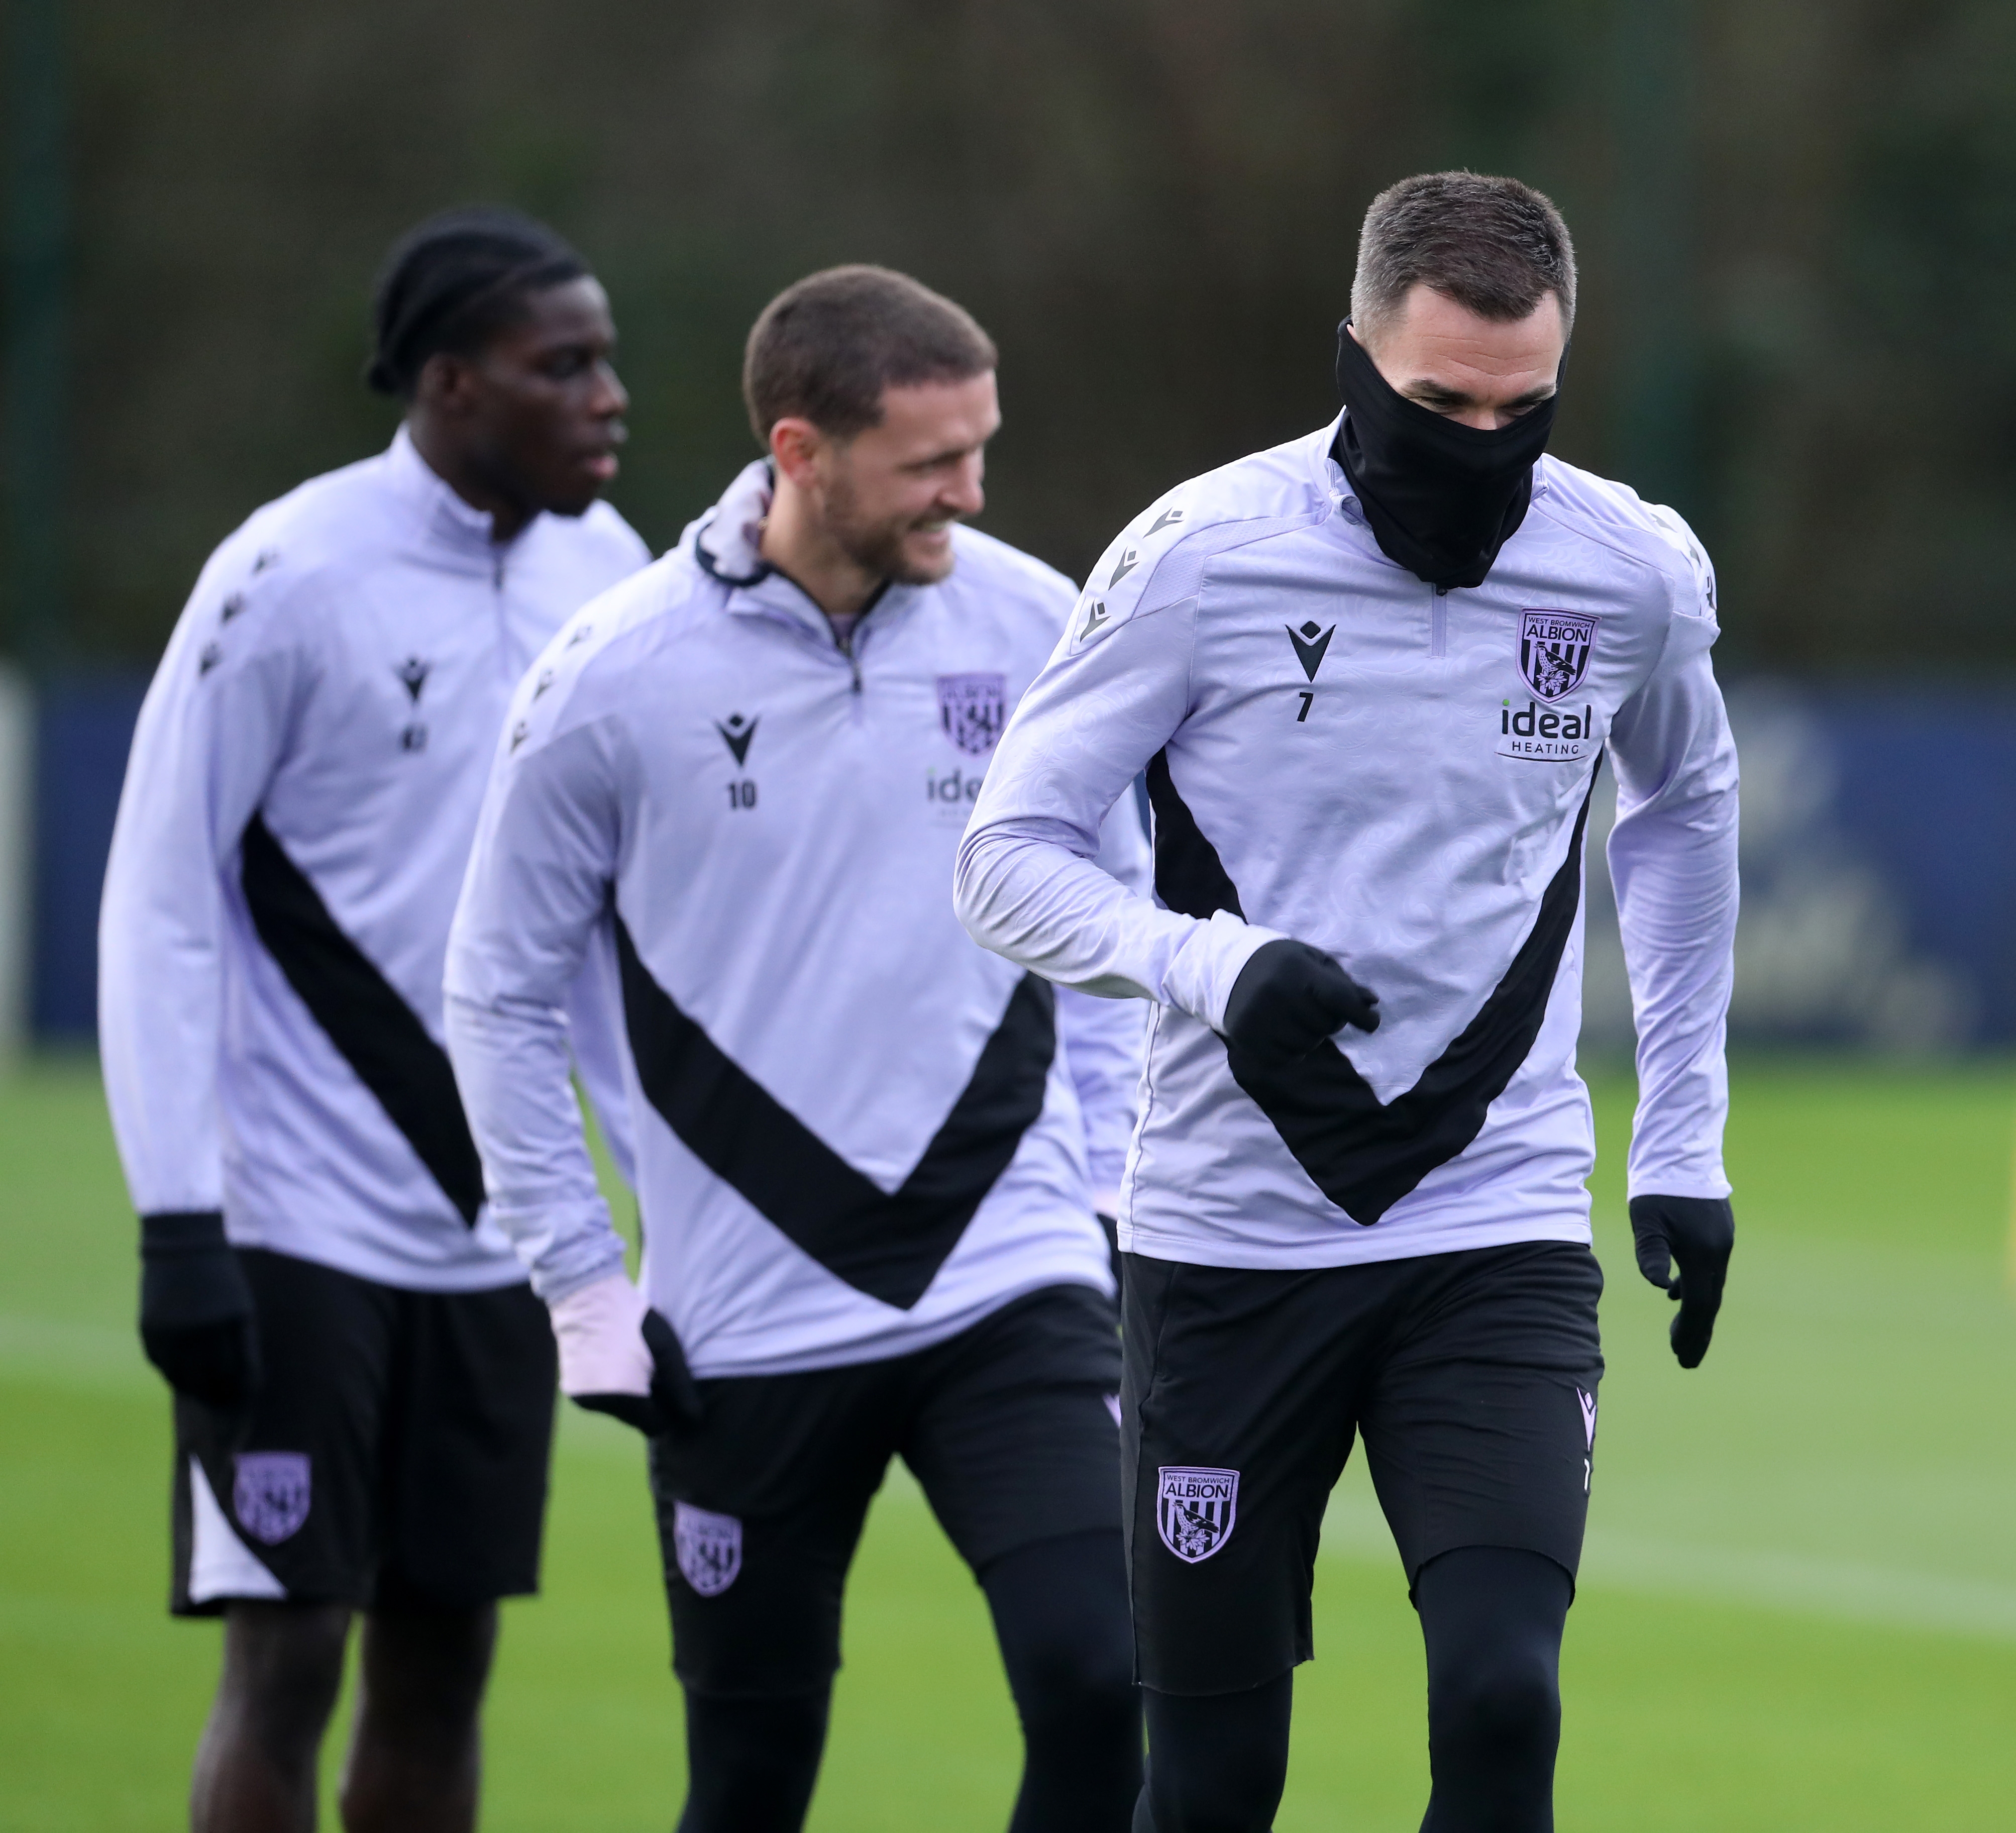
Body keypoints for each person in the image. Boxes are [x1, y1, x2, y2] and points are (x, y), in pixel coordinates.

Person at [956, 172, 1742, 1832]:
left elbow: (1683, 811)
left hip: (1498, 1220)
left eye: (1521, 411)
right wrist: (1214, 964)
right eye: (1440, 404)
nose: (1480, 445)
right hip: (1228, 1245)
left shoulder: (1632, 571)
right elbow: (1006, 854)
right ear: (1355, 362)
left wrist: (1684, 1136)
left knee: (1505, 1695)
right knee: (1218, 1780)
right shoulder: (1199, 556)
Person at [445, 264, 1148, 1833]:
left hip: (1011, 1275)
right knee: (752, 1783)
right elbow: (495, 992)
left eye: (983, 447)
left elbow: (1118, 937)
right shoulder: (609, 680)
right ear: (801, 450)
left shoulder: (1043, 626)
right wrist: (578, 1283)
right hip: (744, 1320)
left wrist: (1108, 1200)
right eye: (931, 461)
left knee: (1110, 1685)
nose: (971, 491)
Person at [97, 207, 647, 1833]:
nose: (612, 395)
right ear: (453, 385)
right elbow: (160, 895)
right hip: (294, 1227)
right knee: (290, 1658)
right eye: (569, 366)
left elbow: (613, 933)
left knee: (442, 1665)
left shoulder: (607, 581)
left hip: (499, 1242)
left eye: (609, 358)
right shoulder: (286, 576)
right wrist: (178, 1222)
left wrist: (653, 1202)